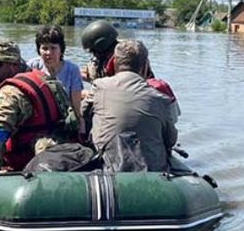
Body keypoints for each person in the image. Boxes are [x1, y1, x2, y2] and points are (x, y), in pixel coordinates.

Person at [0, 40, 70, 172]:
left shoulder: (9, 94)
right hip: (57, 155)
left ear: (14, 65)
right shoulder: (46, 79)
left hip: (26, 165)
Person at [81, 40, 177, 172]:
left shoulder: (99, 87)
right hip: (151, 171)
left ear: (114, 64)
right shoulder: (160, 99)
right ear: (144, 67)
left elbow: (84, 112)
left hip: (108, 166)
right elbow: (171, 139)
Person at [28, 26, 83, 130]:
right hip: (38, 119)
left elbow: (76, 107)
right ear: (39, 50)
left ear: (61, 49)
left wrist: (81, 128)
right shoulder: (32, 66)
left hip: (63, 120)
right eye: (44, 48)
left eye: (53, 48)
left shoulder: (72, 70)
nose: (48, 53)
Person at [79, 19, 155, 82]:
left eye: (93, 51)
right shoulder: (102, 59)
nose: (92, 54)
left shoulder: (126, 58)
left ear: (101, 47)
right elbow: (91, 73)